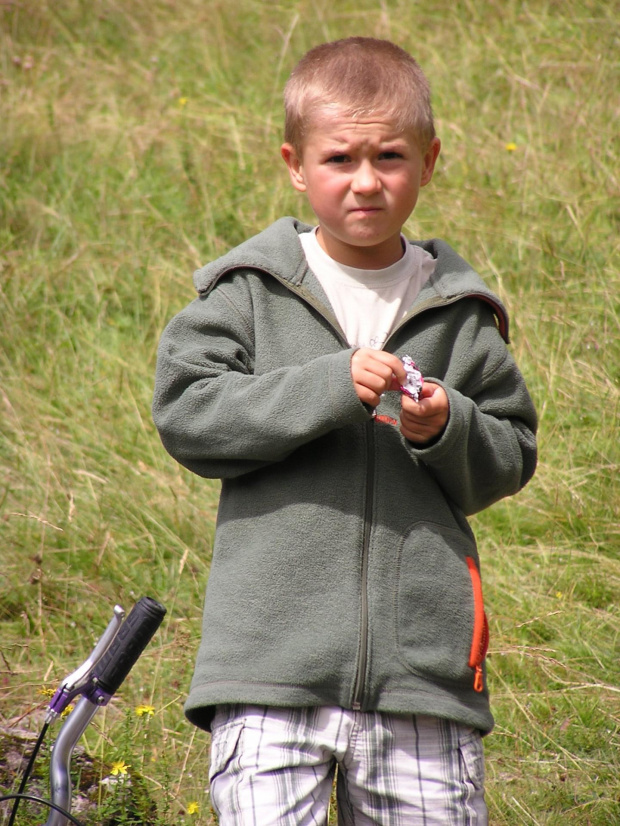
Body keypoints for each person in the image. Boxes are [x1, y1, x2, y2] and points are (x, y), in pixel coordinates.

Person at [152, 37, 537, 826]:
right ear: (295, 163)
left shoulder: (461, 314)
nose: (366, 181)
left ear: (430, 162)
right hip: (269, 670)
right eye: (340, 159)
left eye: (390, 156)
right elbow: (189, 413)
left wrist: (447, 427)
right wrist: (328, 385)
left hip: (421, 679)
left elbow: (509, 454)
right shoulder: (245, 293)